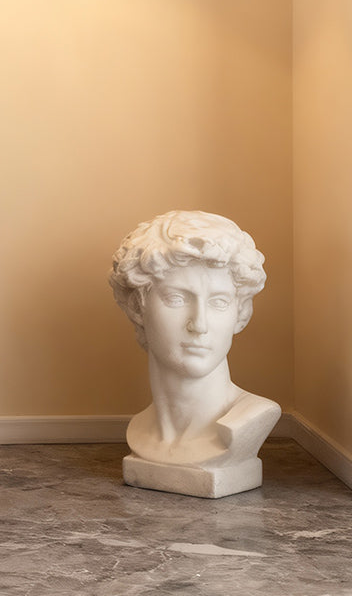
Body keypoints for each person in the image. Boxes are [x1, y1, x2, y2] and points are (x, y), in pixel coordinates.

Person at [109, 210, 280, 496]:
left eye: (219, 302)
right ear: (138, 306)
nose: (199, 324)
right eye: (176, 298)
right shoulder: (139, 430)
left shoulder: (251, 418)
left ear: (242, 312)